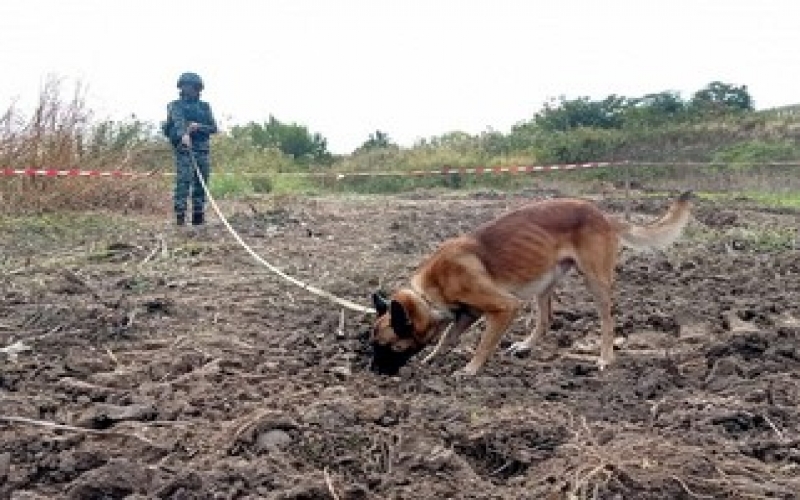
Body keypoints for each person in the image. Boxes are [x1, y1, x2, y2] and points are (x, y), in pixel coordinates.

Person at [165, 72, 218, 226]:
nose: (188, 89)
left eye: (192, 86)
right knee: (183, 182)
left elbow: (214, 128)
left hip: (202, 150)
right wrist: (183, 135)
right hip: (184, 150)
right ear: (181, 87)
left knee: (202, 184)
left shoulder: (204, 106)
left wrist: (199, 127)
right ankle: (180, 218)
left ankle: (198, 218)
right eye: (185, 86)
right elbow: (178, 121)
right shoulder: (175, 105)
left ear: (198, 88)